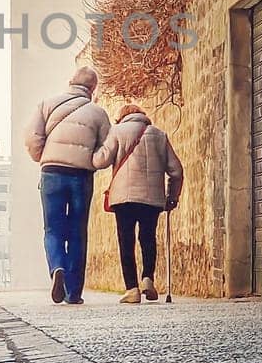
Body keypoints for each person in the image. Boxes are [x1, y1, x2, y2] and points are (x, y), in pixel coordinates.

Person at [24, 66, 115, 305]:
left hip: (51, 173)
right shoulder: (98, 113)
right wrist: (91, 161)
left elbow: (32, 137)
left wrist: (43, 156)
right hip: (80, 176)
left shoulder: (47, 105)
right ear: (93, 89)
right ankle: (73, 292)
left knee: (53, 229)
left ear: (70, 82)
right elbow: (108, 148)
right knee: (77, 232)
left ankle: (57, 268)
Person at [105, 104, 183, 304]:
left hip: (124, 199)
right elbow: (176, 171)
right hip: (152, 199)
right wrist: (172, 196)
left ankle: (132, 289)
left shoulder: (117, 132)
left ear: (122, 117)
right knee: (148, 238)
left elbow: (100, 160)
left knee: (126, 241)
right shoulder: (159, 135)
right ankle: (148, 278)